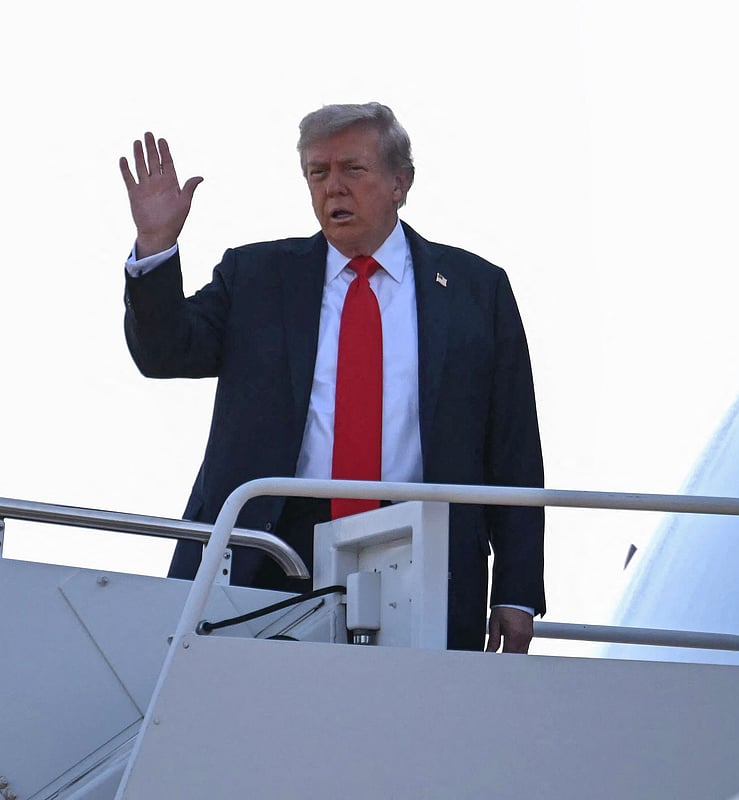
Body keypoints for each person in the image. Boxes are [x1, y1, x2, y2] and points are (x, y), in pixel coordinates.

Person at [119, 102, 545, 653]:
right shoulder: (256, 275)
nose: (333, 188)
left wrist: (516, 591)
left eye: (353, 169)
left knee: (407, 730)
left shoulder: (474, 289)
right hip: (267, 548)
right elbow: (165, 353)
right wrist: (156, 247)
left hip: (421, 546)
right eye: (318, 173)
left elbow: (513, 447)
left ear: (400, 182)